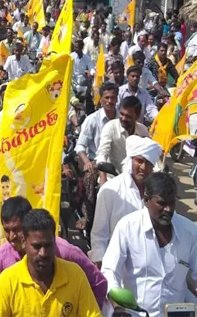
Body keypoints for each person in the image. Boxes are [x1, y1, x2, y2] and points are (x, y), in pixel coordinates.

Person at [101, 172, 197, 316]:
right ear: (146, 201)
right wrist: (118, 307)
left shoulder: (190, 232)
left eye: (171, 202)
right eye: (162, 203)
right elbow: (110, 271)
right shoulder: (127, 227)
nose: (168, 209)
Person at [0, 197, 108, 308]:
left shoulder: (66, 253)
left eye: (16, 229)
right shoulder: (1, 257)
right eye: (7, 230)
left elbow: (99, 284)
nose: (12, 236)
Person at [90, 135, 162, 266]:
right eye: (139, 161)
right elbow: (99, 234)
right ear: (131, 160)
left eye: (149, 163)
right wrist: (102, 266)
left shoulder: (157, 193)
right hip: (118, 265)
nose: (143, 167)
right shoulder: (110, 190)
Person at [75, 82, 118, 232]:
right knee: (88, 178)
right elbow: (80, 146)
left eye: (113, 98)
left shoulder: (122, 118)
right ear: (101, 100)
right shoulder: (92, 120)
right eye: (106, 97)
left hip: (118, 161)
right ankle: (88, 217)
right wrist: (86, 162)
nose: (110, 101)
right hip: (96, 161)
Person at [95, 96, 149, 184]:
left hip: (135, 181)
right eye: (122, 114)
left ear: (137, 116)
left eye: (128, 116)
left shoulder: (143, 131)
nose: (123, 119)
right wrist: (103, 180)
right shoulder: (110, 127)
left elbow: (148, 156)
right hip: (112, 179)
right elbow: (102, 154)